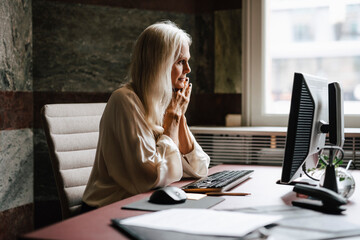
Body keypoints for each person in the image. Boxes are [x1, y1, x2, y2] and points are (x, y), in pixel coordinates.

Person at [82, 20, 210, 210]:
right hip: (109, 209)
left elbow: (200, 168)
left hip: (144, 204)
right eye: (181, 62)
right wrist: (173, 118)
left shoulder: (163, 103)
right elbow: (152, 178)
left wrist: (179, 116)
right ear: (161, 65)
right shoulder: (125, 100)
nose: (188, 70)